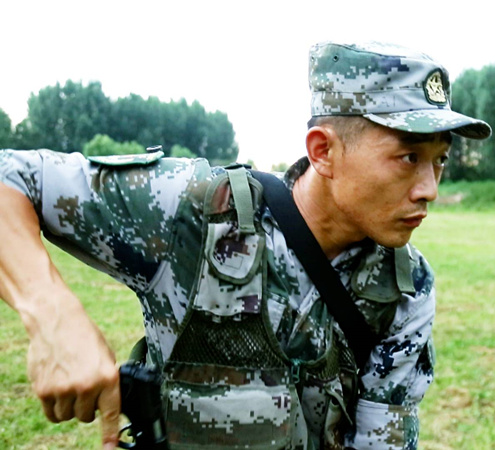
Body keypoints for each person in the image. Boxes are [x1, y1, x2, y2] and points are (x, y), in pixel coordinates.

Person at [0, 41, 491, 450]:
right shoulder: (193, 212)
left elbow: (381, 436)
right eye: (408, 157)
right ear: (323, 152)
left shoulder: (404, 283)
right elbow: (11, 178)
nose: (430, 188)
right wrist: (52, 315)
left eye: (440, 161)